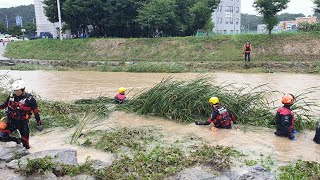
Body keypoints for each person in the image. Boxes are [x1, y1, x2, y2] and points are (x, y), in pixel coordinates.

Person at [0, 80, 43, 149]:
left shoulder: (30, 99)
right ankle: (17, 140)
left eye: (18, 90)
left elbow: (36, 112)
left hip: (23, 123)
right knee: (1, 136)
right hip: (11, 122)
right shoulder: (11, 97)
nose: (16, 92)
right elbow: (4, 105)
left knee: (26, 146)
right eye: (15, 90)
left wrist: (39, 124)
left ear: (23, 90)